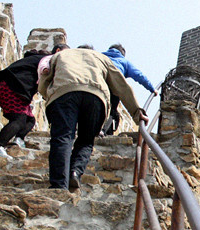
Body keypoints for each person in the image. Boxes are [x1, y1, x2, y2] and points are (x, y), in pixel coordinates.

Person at [38, 47, 147, 190]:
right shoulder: (101, 58)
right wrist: (136, 112)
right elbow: (121, 85)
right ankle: (75, 172)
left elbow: (44, 80)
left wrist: (48, 96)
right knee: (86, 140)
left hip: (64, 93)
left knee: (62, 137)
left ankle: (59, 184)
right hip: (95, 96)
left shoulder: (61, 54)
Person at [0, 48, 50, 158]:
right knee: (19, 120)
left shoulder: (30, 61)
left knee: (30, 120)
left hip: (5, 87)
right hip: (12, 88)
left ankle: (18, 140)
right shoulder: (46, 60)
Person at [100, 44, 157, 135]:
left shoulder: (100, 56)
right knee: (112, 109)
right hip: (114, 85)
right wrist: (152, 89)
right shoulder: (124, 61)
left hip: (98, 82)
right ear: (122, 54)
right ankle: (102, 130)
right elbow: (139, 76)